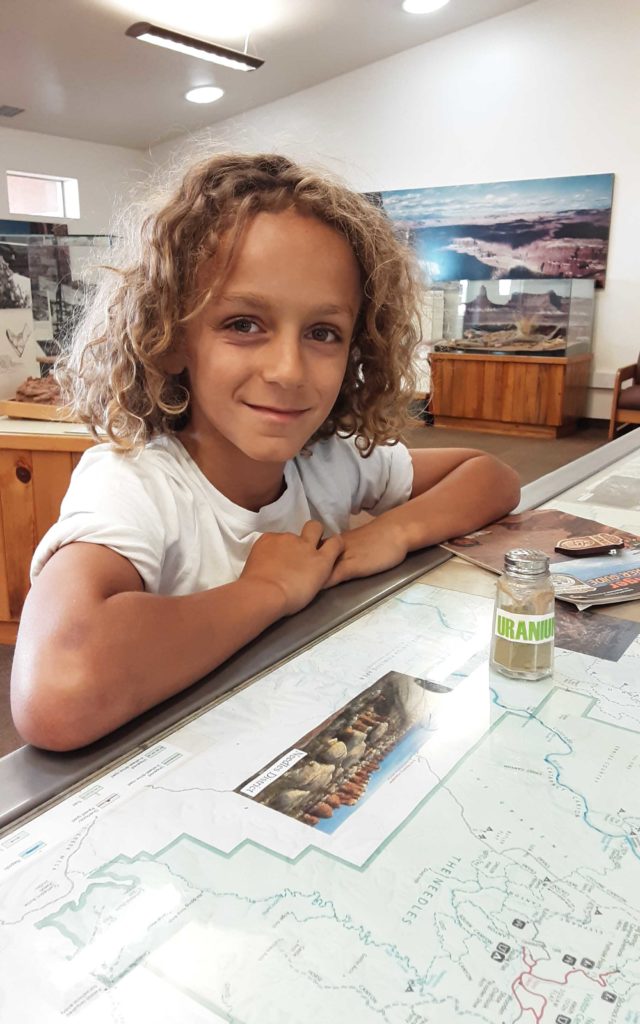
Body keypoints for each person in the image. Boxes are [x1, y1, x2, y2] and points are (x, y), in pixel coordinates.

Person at [10, 153, 520, 751]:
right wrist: (267, 591)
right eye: (244, 324)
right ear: (169, 338)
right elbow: (58, 691)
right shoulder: (135, 481)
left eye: (323, 333)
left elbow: (491, 476)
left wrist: (393, 532)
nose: (288, 370)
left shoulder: (327, 460)